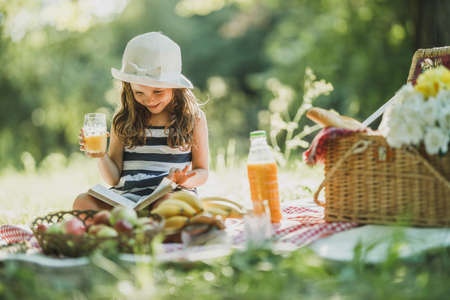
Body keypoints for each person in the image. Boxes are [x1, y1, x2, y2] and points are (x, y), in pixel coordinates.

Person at [73, 32, 209, 211]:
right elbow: (113, 178)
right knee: (82, 201)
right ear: (130, 89)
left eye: (158, 92)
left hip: (170, 193)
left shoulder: (193, 118)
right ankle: (134, 225)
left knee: (167, 203)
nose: (149, 100)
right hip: (127, 199)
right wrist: (100, 155)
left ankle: (135, 228)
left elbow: (202, 171)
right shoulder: (123, 120)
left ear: (175, 87)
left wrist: (186, 180)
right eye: (139, 93)